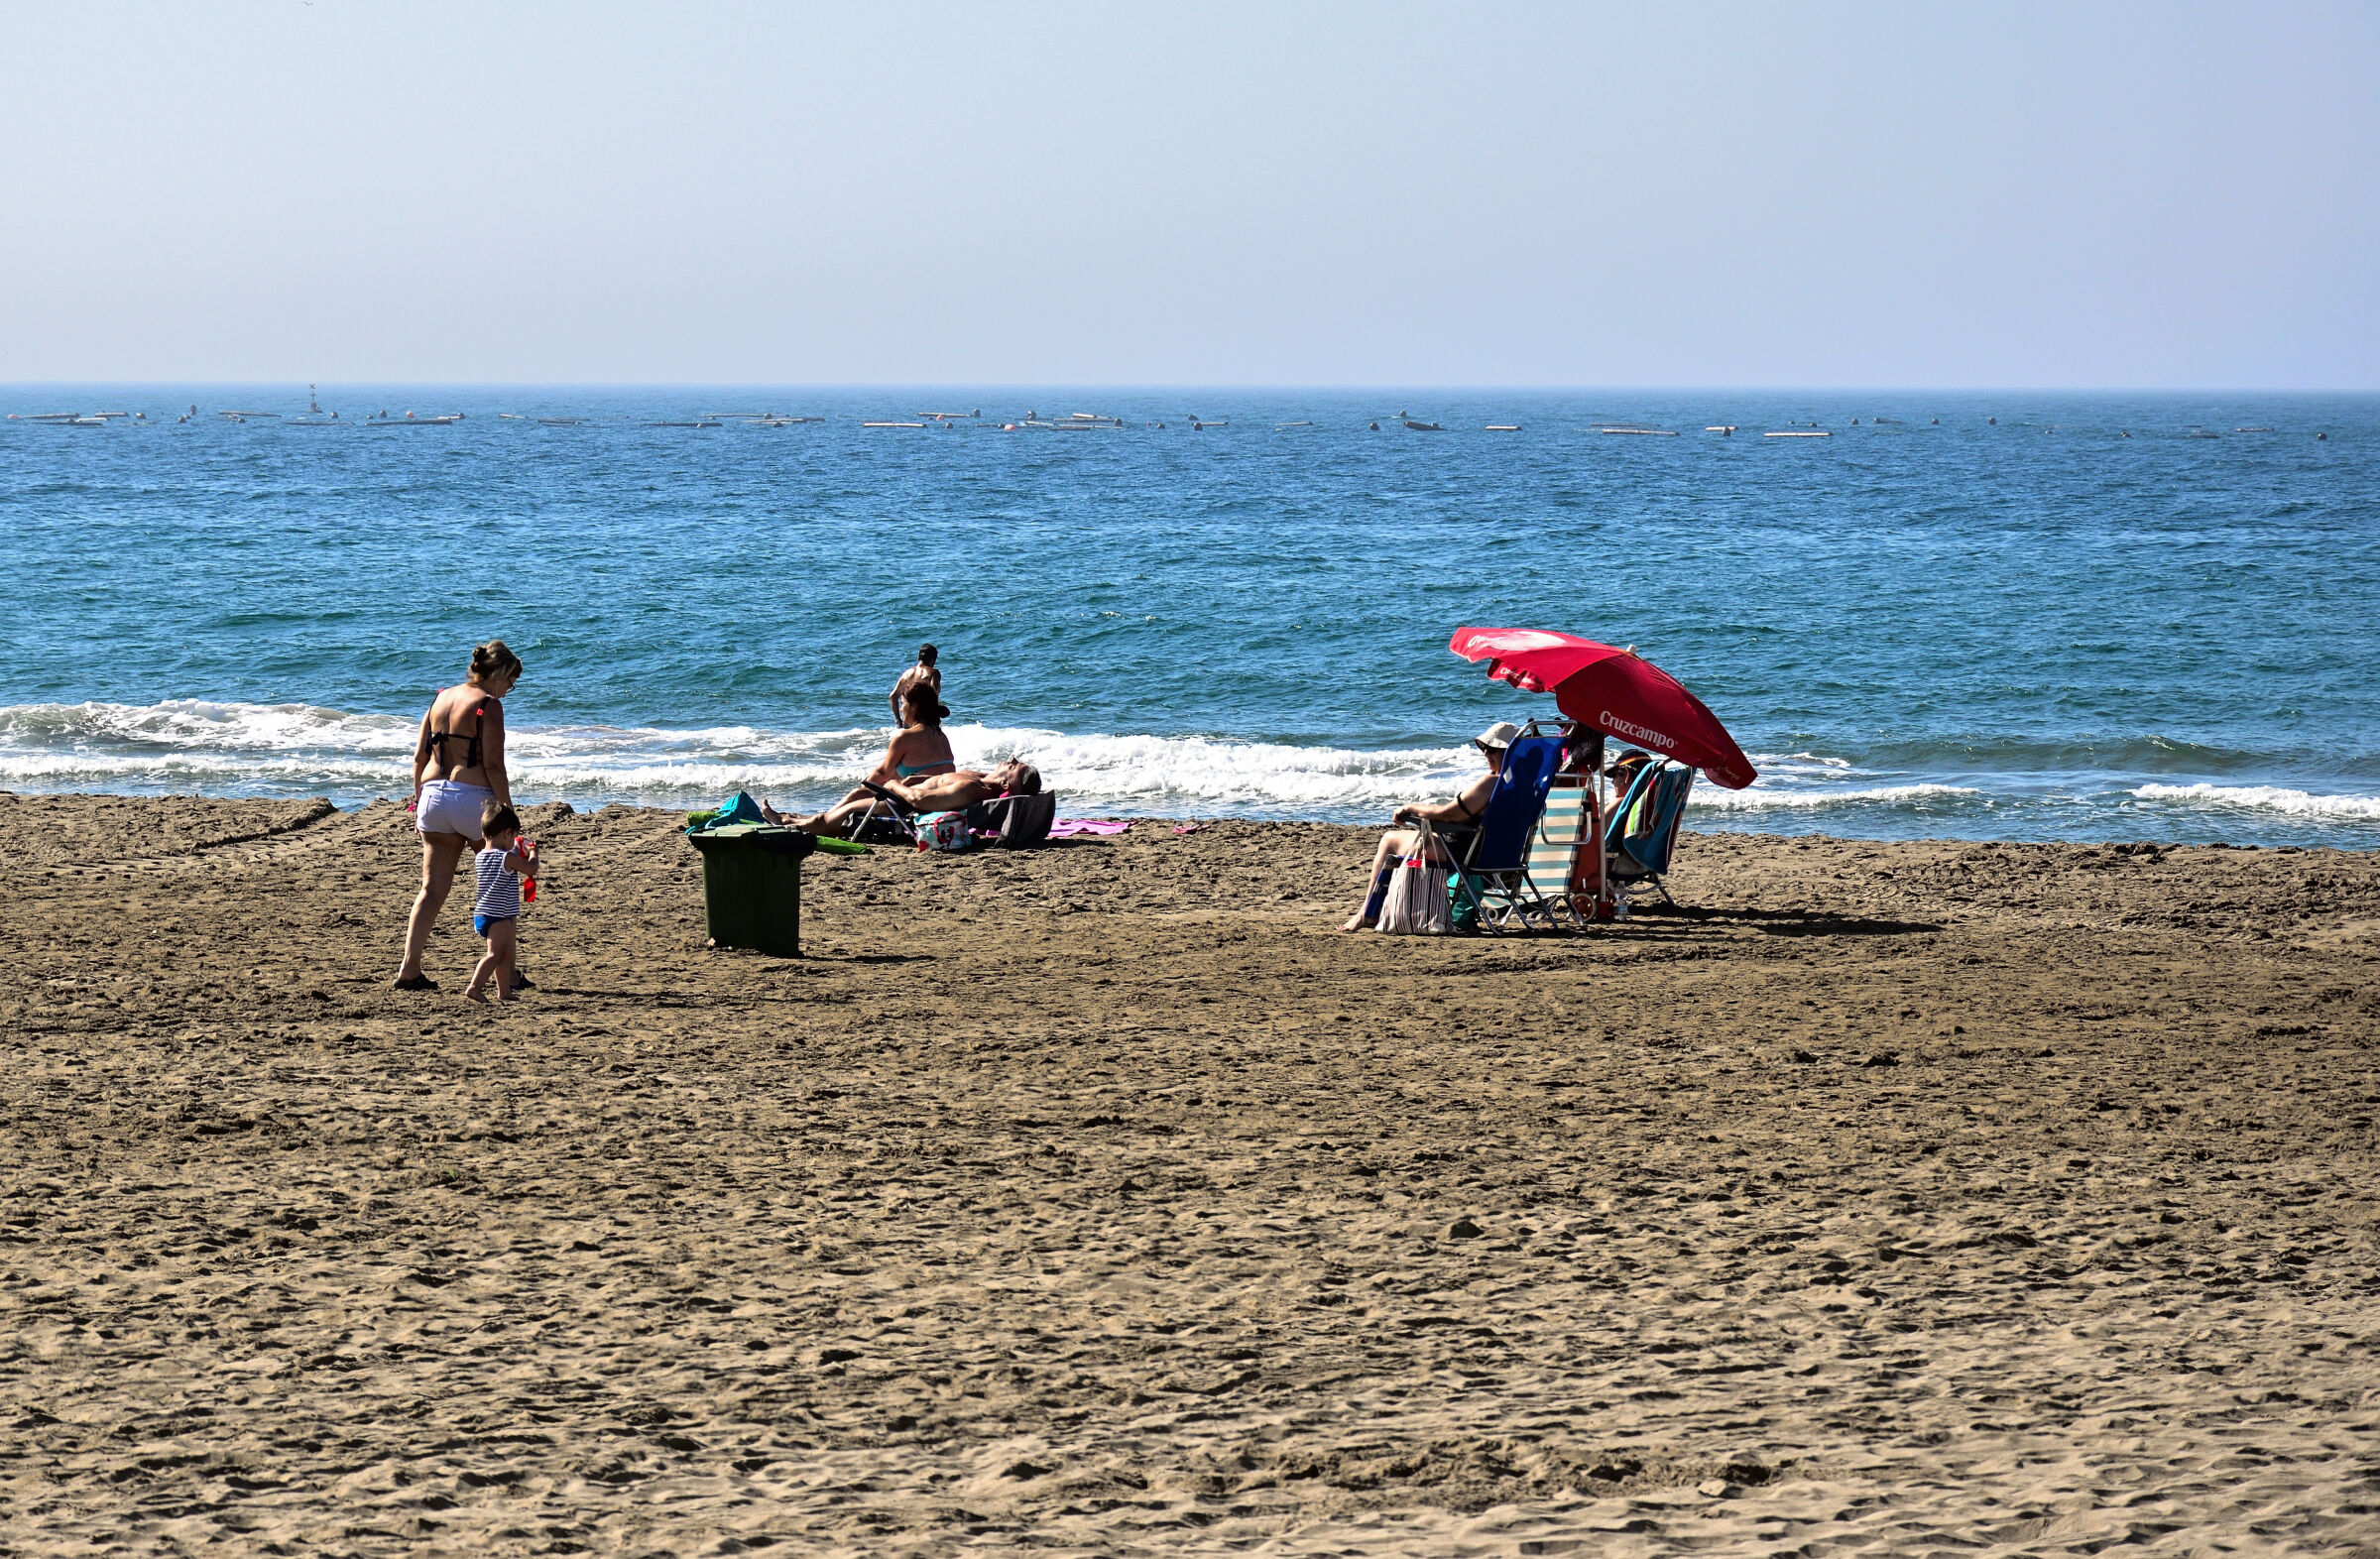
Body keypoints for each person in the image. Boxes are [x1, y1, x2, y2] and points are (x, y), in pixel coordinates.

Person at [395, 640, 522, 991]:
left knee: (431, 890)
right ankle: (508, 974)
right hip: (474, 801)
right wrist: (508, 812)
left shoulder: (440, 698)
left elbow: (419, 758)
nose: (509, 691)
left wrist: (418, 803)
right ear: (498, 674)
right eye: (510, 682)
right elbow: (493, 765)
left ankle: (409, 969)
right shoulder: (488, 706)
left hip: (433, 797)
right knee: (500, 887)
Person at [1339, 722, 1516, 932]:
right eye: (1483, 747)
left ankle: (1367, 913)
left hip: (1461, 854)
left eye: (1493, 749)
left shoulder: (1491, 783)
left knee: (1389, 839)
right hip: (1500, 857)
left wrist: (1410, 808)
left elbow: (1448, 814)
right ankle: (1382, 909)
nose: (1486, 753)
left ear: (1510, 752)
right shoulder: (1523, 787)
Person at [763, 680, 960, 831]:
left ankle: (798, 822)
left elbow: (881, 773)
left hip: (913, 805)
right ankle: (805, 818)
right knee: (860, 795)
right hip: (940, 803)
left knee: (857, 795)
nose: (901, 709)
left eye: (903, 703)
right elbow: (923, 773)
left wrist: (866, 784)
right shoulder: (941, 736)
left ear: (914, 706)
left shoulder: (905, 736)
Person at [776, 755, 1041, 839]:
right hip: (906, 795)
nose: (1011, 758)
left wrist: (893, 784)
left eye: (1014, 766)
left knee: (843, 813)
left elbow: (919, 801)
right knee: (858, 793)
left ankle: (793, 825)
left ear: (1005, 783)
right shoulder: (981, 778)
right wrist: (921, 779)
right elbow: (939, 783)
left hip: (902, 806)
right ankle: (799, 818)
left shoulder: (972, 790)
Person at [463, 801, 537, 1004]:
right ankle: (474, 987)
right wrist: (533, 852)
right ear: (507, 833)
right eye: (513, 836)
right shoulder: (506, 857)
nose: (514, 841)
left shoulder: (481, 856)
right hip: (499, 914)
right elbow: (531, 869)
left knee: (504, 954)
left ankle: (504, 991)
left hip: (484, 912)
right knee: (495, 955)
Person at [891, 645, 942, 723]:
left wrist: (898, 720)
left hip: (908, 718)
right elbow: (934, 696)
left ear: (918, 657)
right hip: (925, 719)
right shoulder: (933, 673)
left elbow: (893, 696)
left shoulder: (907, 674)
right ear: (933, 659)